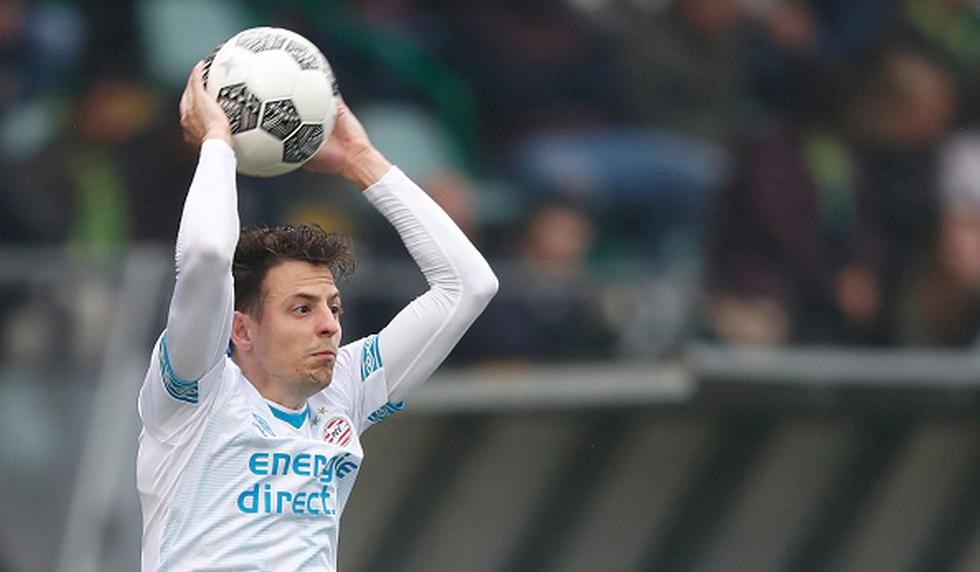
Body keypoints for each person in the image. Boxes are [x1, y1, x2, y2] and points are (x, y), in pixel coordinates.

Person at [136, 62, 498, 571]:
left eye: (333, 307)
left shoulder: (343, 394)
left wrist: (362, 161)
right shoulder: (195, 395)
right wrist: (217, 143)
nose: (328, 325)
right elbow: (206, 257)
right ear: (241, 328)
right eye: (301, 309)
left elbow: (469, 286)